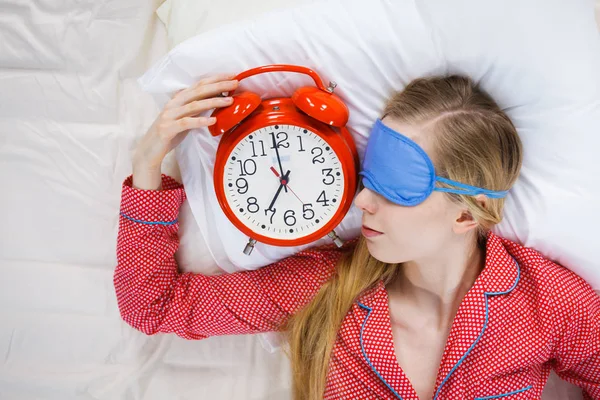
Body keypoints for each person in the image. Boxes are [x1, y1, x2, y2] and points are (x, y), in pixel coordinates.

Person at [114, 74, 600, 400]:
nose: (362, 202)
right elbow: (153, 305)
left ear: (468, 215)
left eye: (394, 191)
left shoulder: (548, 303)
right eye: (368, 181)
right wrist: (147, 166)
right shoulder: (325, 286)